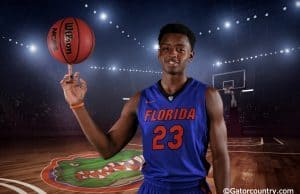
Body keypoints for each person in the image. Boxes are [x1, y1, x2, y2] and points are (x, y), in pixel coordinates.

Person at [60, 23, 230, 194]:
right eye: (166, 48)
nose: (173, 54)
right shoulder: (139, 100)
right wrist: (77, 105)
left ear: (191, 55)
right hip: (151, 189)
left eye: (180, 49)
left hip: (191, 189)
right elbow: (107, 148)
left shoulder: (207, 96)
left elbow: (220, 156)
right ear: (159, 53)